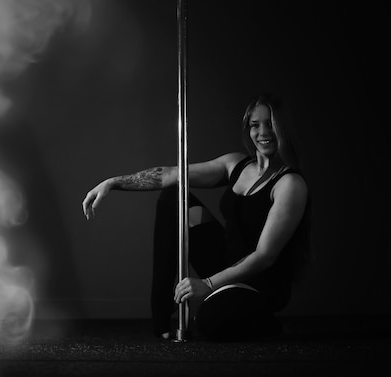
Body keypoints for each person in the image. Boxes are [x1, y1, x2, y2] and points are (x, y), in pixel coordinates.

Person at [82, 93, 311, 340]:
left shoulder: (290, 184)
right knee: (173, 197)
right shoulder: (235, 164)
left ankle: (267, 324)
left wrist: (208, 284)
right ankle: (161, 321)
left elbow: (265, 256)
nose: (263, 132)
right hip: (225, 263)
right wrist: (114, 182)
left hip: (259, 282)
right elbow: (171, 174)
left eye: (270, 124)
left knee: (209, 321)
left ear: (281, 127)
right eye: (255, 125)